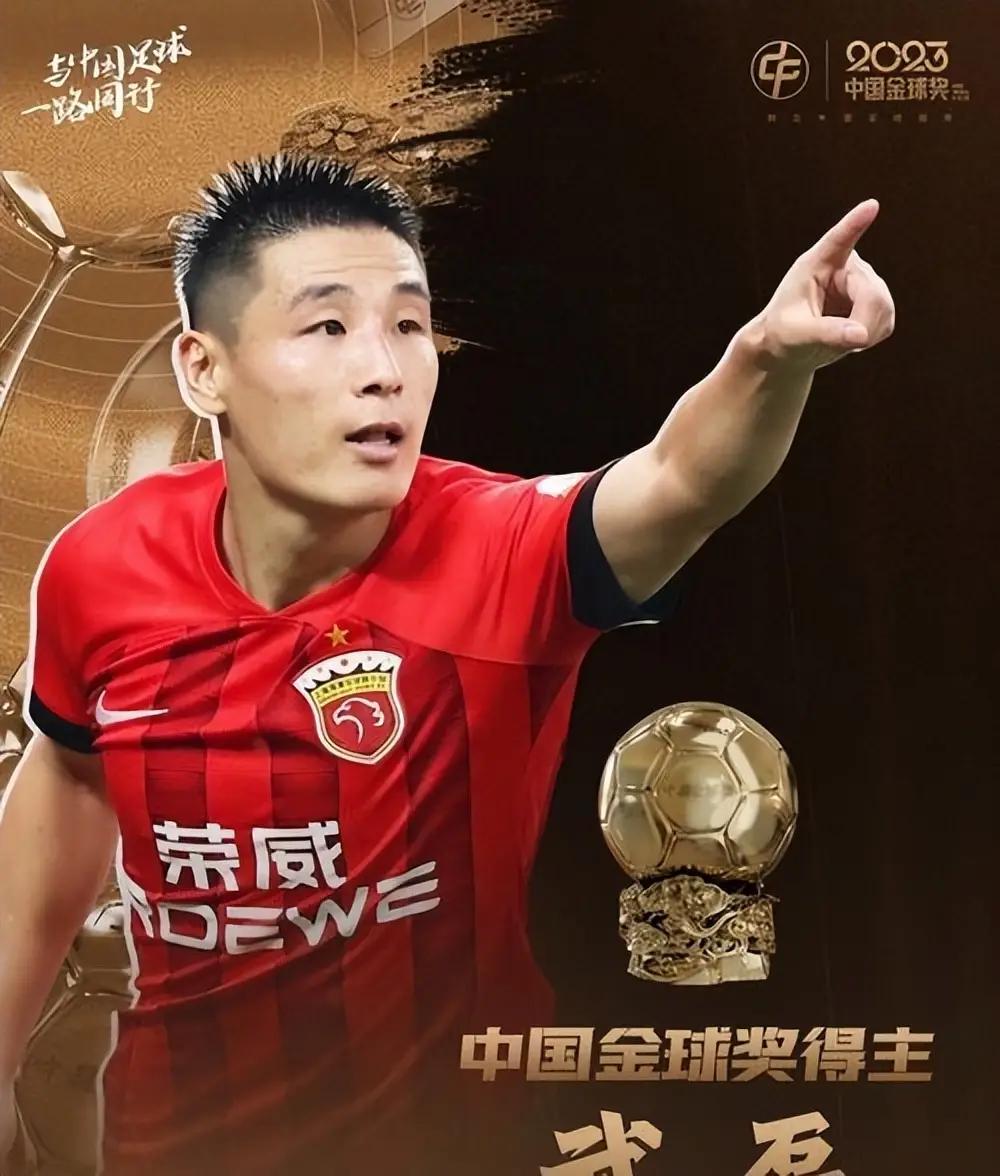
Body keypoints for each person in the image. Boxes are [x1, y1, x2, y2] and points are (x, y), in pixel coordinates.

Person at [0, 152, 894, 1175]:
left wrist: (769, 360)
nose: (384, 367)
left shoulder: (501, 550)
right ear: (205, 370)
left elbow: (680, 479)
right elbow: (70, 781)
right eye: (328, 327)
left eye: (409, 325)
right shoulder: (101, 566)